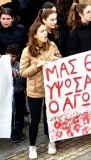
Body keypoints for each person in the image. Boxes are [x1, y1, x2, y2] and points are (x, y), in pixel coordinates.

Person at [20, 21, 61, 158]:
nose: (45, 33)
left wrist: (56, 60)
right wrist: (37, 66)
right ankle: (32, 146)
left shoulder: (52, 46)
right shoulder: (27, 51)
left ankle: (52, 141)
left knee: (51, 117)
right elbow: (23, 72)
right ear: (35, 35)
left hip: (51, 90)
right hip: (35, 91)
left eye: (46, 31)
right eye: (42, 31)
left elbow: (61, 62)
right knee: (35, 120)